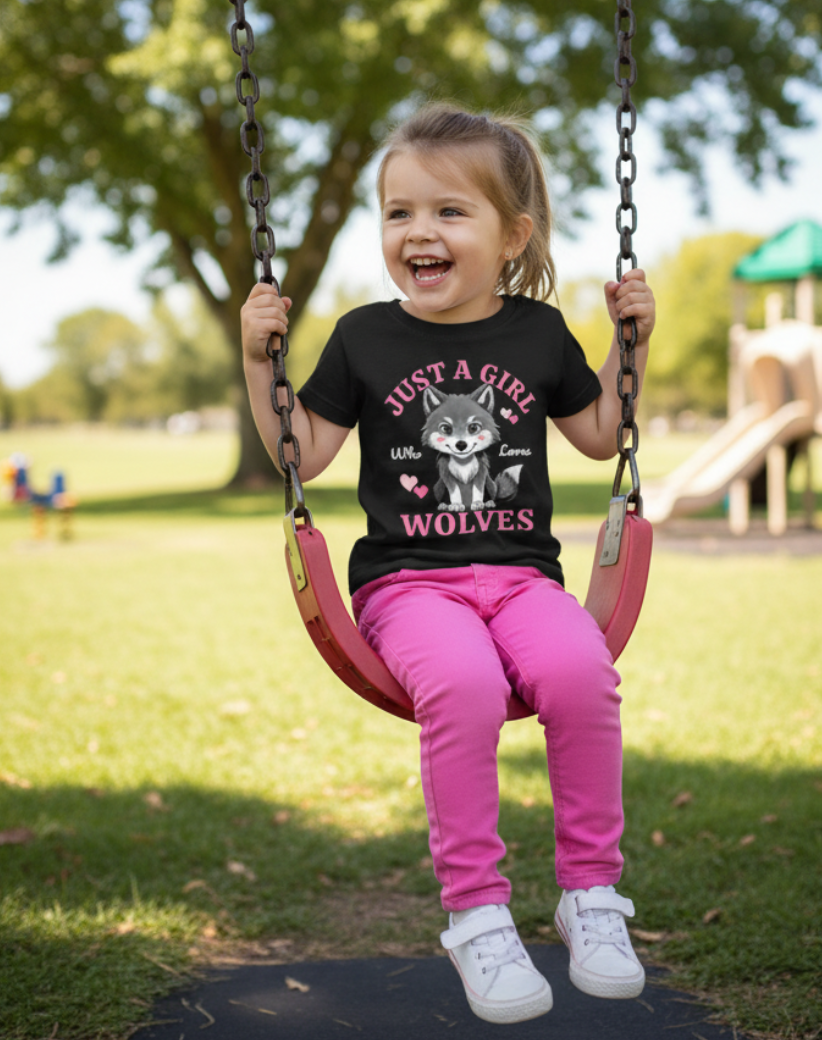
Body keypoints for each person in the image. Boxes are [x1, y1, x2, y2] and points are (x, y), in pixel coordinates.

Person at [241, 103, 655, 1025]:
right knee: (462, 686)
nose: (418, 231)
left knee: (583, 670)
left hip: (522, 579)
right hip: (407, 584)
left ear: (512, 235)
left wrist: (631, 346)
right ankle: (478, 915)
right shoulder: (363, 337)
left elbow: (598, 438)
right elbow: (301, 455)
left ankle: (593, 898)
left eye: (448, 212)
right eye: (398, 213)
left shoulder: (541, 336)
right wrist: (254, 356)